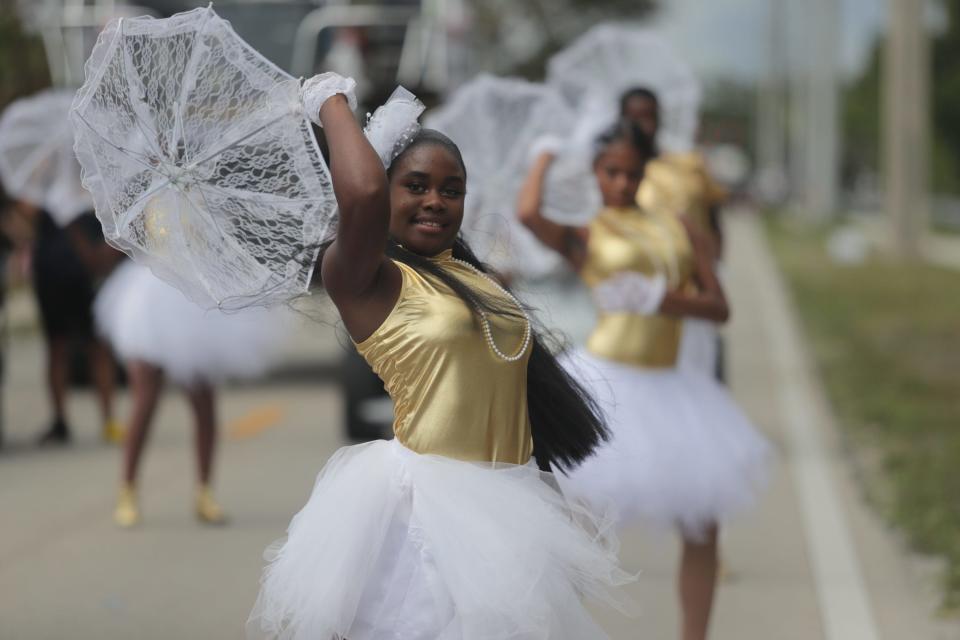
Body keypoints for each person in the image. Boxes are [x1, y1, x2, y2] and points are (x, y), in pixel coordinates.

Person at [247, 75, 632, 639]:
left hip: (511, 502)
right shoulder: (366, 277)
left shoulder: (471, 276)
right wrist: (328, 99)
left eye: (452, 190)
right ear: (388, 189)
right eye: (417, 185)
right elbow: (362, 197)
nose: (435, 201)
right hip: (428, 513)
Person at [518, 119, 770, 640]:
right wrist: (545, 151)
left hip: (672, 389)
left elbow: (719, 306)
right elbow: (527, 215)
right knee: (572, 519)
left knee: (702, 522)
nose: (623, 184)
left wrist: (662, 300)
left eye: (633, 173)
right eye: (612, 172)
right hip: (604, 382)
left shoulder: (679, 227)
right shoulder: (588, 233)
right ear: (596, 173)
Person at [89, 204, 288, 528]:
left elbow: (221, 244)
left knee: (203, 401)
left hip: (193, 298)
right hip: (151, 297)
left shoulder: (203, 194)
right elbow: (126, 239)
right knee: (144, 399)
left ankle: (204, 492)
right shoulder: (145, 193)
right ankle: (128, 489)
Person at [622, 86, 730, 380]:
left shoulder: (687, 166)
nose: (643, 125)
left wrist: (711, 267)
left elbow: (713, 217)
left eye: (649, 116)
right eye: (634, 117)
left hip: (692, 294)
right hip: (643, 302)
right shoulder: (619, 175)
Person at [9, 202, 121, 445]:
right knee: (60, 346)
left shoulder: (89, 177)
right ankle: (63, 420)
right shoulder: (45, 179)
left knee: (95, 346)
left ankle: (106, 418)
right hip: (56, 269)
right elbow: (24, 218)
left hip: (83, 269)